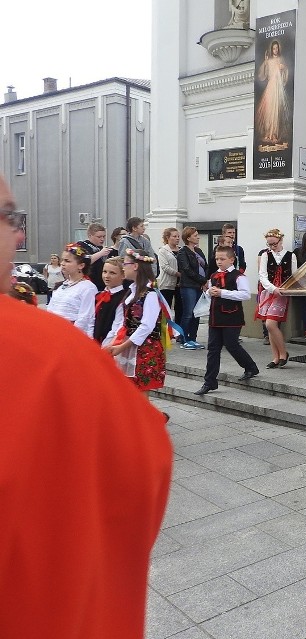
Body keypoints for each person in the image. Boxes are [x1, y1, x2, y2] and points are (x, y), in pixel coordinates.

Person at [0, 175, 172, 638]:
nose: (19, 234)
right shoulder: (45, 351)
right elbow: (140, 471)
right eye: (9, 216)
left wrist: (112, 348)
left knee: (137, 395)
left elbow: (133, 324)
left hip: (114, 351)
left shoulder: (143, 296)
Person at [194, 245, 260, 395]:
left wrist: (222, 293)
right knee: (213, 349)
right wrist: (210, 292)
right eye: (217, 258)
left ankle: (250, 366)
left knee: (232, 345)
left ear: (231, 260)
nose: (219, 261)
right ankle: (209, 381)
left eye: (222, 259)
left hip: (232, 316)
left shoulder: (238, 276)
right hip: (215, 317)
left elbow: (245, 295)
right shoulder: (213, 276)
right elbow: (211, 295)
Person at [104, 250, 167, 395]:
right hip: (129, 344)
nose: (123, 267)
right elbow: (124, 322)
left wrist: (122, 346)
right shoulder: (133, 291)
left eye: (125, 264)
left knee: (139, 390)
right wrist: (114, 342)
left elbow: (146, 326)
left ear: (135, 266)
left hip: (144, 348)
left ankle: (150, 418)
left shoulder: (150, 294)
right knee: (129, 389)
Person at [257, 228, 295, 368]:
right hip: (269, 291)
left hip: (283, 293)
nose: (272, 247)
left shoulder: (291, 256)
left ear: (281, 241)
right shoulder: (266, 255)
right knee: (270, 325)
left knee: (270, 324)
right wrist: (272, 288)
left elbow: (294, 276)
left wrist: (287, 289)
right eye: (270, 244)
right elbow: (262, 275)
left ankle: (283, 353)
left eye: (274, 244)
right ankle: (276, 356)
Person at [45, 244, 98, 337]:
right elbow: (50, 309)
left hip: (71, 334)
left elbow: (85, 317)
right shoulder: (62, 286)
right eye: (62, 260)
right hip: (53, 332)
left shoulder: (87, 287)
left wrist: (72, 336)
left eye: (67, 261)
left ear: (81, 265)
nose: (62, 263)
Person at [176, 226, 207, 350]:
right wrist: (202, 280)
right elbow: (187, 270)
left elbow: (206, 266)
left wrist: (206, 280)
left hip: (199, 285)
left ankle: (193, 338)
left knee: (197, 313)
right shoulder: (182, 252)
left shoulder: (198, 251)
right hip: (188, 285)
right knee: (188, 313)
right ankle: (184, 339)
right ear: (188, 238)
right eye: (195, 235)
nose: (198, 237)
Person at [256, 40, 291, 146]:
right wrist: (265, 62)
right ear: (271, 49)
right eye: (274, 48)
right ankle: (267, 133)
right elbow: (263, 75)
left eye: (277, 48)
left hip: (277, 88)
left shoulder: (281, 60)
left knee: (276, 111)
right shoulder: (269, 61)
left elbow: (285, 72)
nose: (275, 50)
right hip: (270, 87)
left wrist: (283, 69)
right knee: (268, 110)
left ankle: (274, 134)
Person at [93, 257, 129, 344]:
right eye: (104, 272)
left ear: (123, 275)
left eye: (112, 273)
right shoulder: (99, 295)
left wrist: (107, 344)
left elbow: (118, 325)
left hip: (110, 342)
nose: (106, 276)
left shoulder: (123, 298)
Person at [75, 223, 113, 290]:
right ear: (90, 235)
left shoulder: (102, 248)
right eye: (99, 237)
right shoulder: (81, 245)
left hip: (102, 284)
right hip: (87, 283)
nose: (102, 239)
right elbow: (83, 262)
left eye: (104, 236)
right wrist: (100, 253)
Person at [157, 227, 181, 315]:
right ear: (167, 238)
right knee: (166, 309)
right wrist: (178, 274)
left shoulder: (181, 250)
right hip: (167, 284)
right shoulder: (163, 251)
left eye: (178, 236)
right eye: (174, 236)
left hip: (180, 284)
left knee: (179, 309)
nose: (177, 238)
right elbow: (164, 266)